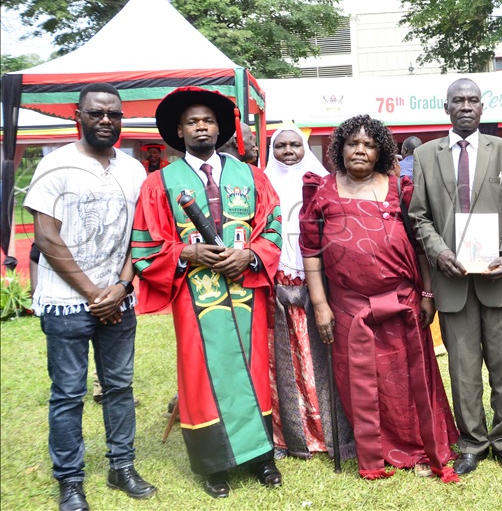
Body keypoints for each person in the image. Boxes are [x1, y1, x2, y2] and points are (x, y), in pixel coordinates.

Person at [131, 86, 283, 498]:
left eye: (209, 120)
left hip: (245, 292)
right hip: (194, 298)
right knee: (200, 376)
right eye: (193, 121)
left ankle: (261, 459)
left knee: (252, 372)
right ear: (179, 131)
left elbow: (272, 228)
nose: (202, 126)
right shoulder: (159, 183)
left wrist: (250, 255)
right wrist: (187, 252)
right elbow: (146, 246)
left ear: (221, 128)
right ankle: (213, 465)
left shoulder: (251, 176)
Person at [301, 114, 459, 481]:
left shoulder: (399, 188)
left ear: (380, 151)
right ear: (340, 148)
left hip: (401, 302)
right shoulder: (321, 190)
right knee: (359, 378)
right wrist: (321, 305)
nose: (360, 150)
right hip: (347, 307)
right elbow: (310, 249)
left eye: (369, 145)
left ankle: (419, 445)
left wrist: (427, 293)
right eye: (353, 143)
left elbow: (420, 246)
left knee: (407, 377)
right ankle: (374, 450)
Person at [24, 83, 156, 511]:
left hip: (117, 299)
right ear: (76, 115)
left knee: (119, 387)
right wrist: (93, 293)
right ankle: (71, 480)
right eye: (97, 113)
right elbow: (46, 236)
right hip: (66, 303)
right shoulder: (55, 165)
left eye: (114, 114)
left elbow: (140, 236)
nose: (106, 120)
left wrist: (120, 288)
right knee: (67, 393)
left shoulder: (133, 170)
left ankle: (122, 466)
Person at [409, 79, 502, 476]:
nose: (465, 106)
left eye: (472, 100)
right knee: (462, 367)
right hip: (452, 279)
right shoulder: (426, 155)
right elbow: (418, 215)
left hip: (499, 278)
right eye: (457, 100)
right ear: (446, 108)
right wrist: (439, 252)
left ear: (482, 108)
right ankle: (473, 443)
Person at [263, 124, 354, 461]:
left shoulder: (322, 183)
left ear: (306, 148)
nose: (288, 151)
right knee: (282, 359)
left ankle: (329, 433)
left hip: (318, 283)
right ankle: (288, 436)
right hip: (277, 282)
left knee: (321, 355)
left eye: (295, 145)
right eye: (281, 146)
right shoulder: (263, 183)